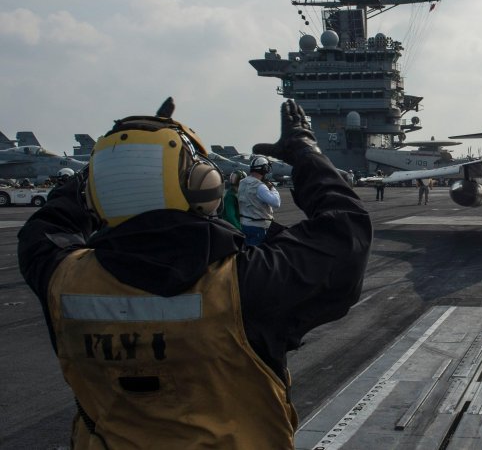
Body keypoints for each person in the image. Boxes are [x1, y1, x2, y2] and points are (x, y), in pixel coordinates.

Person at [17, 98, 371, 448]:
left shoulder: (59, 277)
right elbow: (346, 232)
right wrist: (305, 150)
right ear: (201, 184)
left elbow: (47, 225)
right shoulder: (246, 282)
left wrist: (115, 164)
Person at [238, 156, 281, 245]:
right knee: (258, 256)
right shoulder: (260, 186)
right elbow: (276, 203)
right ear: (265, 169)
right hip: (259, 227)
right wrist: (272, 188)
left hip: (244, 225)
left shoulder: (242, 183)